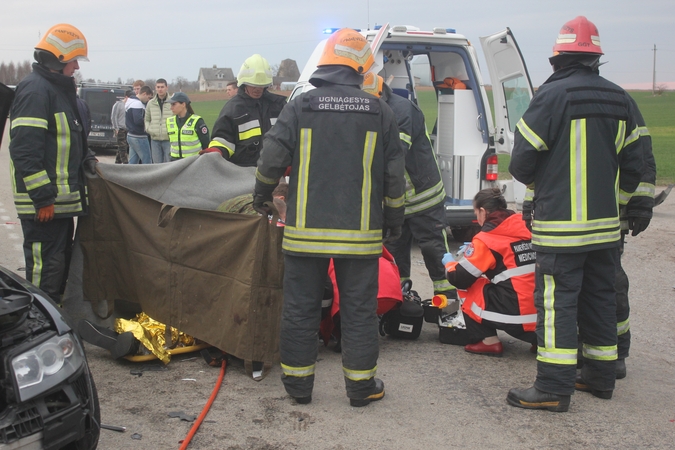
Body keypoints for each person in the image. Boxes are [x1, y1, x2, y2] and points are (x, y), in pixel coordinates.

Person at [253, 28, 406, 407]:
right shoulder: (380, 111)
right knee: (357, 311)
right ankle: (360, 388)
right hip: (361, 235)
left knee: (301, 308)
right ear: (357, 66)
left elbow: (271, 158)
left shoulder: (301, 106)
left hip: (305, 233)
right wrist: (395, 218)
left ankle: (299, 387)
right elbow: (393, 176)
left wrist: (261, 195)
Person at [507, 16, 645, 412]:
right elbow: (636, 165)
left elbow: (521, 162)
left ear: (558, 59)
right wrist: (615, 205)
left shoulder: (550, 98)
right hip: (605, 230)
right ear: (595, 59)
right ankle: (601, 378)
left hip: (560, 230)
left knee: (557, 303)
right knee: (600, 298)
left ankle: (552, 386)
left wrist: (545, 186)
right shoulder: (621, 99)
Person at [8, 23, 97, 303]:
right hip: (44, 206)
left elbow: (71, 143)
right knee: (44, 272)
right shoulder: (35, 91)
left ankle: (55, 325)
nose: (76, 67)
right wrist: (43, 197)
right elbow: (24, 149)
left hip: (57, 206)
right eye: (74, 61)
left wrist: (90, 162)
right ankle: (36, 325)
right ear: (58, 59)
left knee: (57, 266)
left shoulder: (58, 90)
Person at [363, 73, 456, 300]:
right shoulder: (369, 110)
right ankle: (401, 301)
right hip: (395, 200)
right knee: (395, 254)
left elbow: (394, 155)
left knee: (434, 249)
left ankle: (448, 305)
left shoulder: (402, 110)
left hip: (423, 196)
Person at [443, 188, 537, 357]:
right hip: (545, 317)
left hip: (518, 318)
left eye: (475, 212)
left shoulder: (486, 238)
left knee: (470, 286)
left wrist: (450, 263)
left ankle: (488, 341)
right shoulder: (527, 225)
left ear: (483, 212)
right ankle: (538, 342)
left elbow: (460, 278)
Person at [200, 54, 286, 166]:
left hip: (274, 171)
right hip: (242, 175)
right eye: (253, 85)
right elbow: (224, 139)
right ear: (243, 83)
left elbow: (289, 137)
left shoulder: (279, 106)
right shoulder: (233, 109)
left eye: (262, 85)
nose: (258, 89)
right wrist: (216, 151)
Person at [166, 92, 210, 160]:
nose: (171, 108)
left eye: (173, 104)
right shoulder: (169, 121)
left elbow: (206, 144)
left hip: (193, 162)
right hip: (174, 163)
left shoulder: (197, 121)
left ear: (183, 104)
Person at [145, 78, 172, 163]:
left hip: (168, 139)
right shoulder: (151, 103)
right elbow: (147, 119)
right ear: (155, 88)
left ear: (166, 87)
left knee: (169, 163)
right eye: (158, 87)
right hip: (155, 140)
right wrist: (149, 130)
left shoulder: (172, 102)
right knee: (156, 165)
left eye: (162, 87)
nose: (160, 89)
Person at [126, 85, 153, 164]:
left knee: (133, 161)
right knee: (147, 161)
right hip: (139, 136)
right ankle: (148, 176)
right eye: (148, 97)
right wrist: (148, 122)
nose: (148, 100)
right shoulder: (137, 104)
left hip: (131, 135)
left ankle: (130, 175)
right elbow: (138, 120)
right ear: (144, 94)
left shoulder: (130, 102)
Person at [111, 89, 131, 164]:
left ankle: (117, 163)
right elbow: (114, 116)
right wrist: (116, 128)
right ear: (126, 97)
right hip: (120, 129)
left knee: (121, 148)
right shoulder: (118, 104)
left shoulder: (130, 105)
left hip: (127, 129)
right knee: (123, 148)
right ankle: (125, 164)